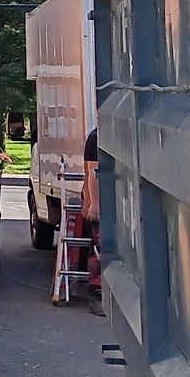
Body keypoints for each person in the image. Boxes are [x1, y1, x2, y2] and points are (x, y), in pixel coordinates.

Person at [80, 128, 103, 308]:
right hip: (99, 199)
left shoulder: (97, 135)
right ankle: (97, 292)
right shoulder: (97, 137)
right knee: (98, 247)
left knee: (99, 246)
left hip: (100, 197)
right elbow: (92, 171)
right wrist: (93, 202)